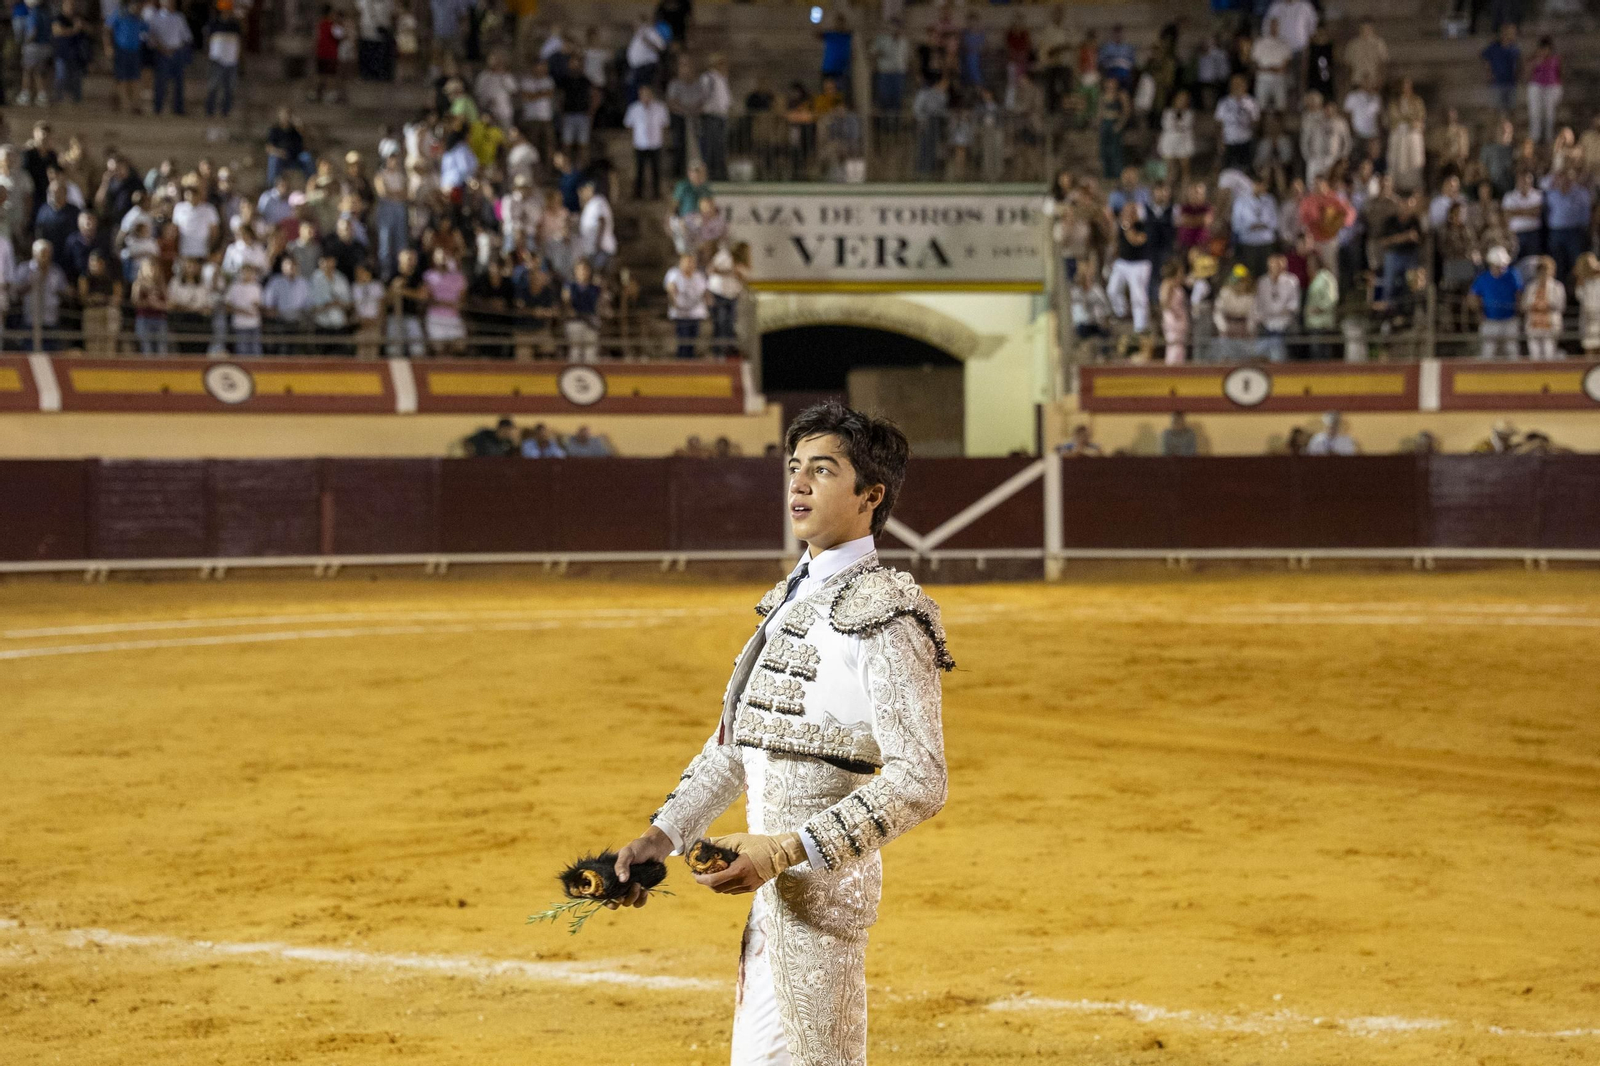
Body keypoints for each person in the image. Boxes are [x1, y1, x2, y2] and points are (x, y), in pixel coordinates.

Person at [612, 402, 949, 1066]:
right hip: (770, 901)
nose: (798, 484)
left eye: (822, 471)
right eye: (795, 468)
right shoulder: (792, 601)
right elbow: (740, 744)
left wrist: (787, 849)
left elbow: (921, 780)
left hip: (819, 901)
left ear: (870, 496)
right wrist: (665, 834)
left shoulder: (886, 617)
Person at [1470, 246, 1522, 358]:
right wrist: (1478, 314)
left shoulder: (1512, 274)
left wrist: (1518, 312)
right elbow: (1474, 296)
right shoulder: (1483, 278)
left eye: (1503, 266)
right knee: (1488, 351)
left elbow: (1518, 293)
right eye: (1498, 266)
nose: (1501, 268)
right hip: (1490, 320)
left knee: (1512, 350)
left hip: (1510, 319)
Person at [146, 0, 193, 115]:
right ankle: (158, 109)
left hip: (177, 53)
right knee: (160, 83)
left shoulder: (179, 17)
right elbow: (150, 36)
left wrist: (177, 49)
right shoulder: (155, 17)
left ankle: (178, 109)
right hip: (161, 53)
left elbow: (186, 36)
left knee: (179, 83)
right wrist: (162, 48)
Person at [624, 84, 669, 201]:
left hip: (656, 143)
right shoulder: (634, 108)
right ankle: (638, 194)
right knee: (639, 170)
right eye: (643, 94)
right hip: (640, 144)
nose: (646, 97)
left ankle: (657, 194)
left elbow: (665, 125)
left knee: (656, 170)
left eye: (648, 94)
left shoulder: (660, 107)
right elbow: (628, 125)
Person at [1256, 253, 1301, 362]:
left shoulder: (1291, 281)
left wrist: (1282, 311)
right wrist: (1260, 319)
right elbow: (1258, 303)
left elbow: (1294, 304)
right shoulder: (1262, 282)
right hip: (1266, 324)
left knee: (1279, 353)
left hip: (1285, 324)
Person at [204, 0, 243, 118]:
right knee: (213, 86)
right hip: (217, 59)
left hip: (231, 61)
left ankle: (225, 111)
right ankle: (210, 111)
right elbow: (208, 40)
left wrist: (239, 58)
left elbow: (239, 42)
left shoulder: (235, 25)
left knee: (229, 87)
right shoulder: (214, 24)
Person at [665, 252, 708, 359]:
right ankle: (682, 360)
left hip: (695, 312)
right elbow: (670, 286)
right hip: (681, 313)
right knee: (683, 338)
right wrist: (672, 294)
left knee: (693, 339)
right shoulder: (674, 273)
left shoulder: (698, 276)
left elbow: (704, 291)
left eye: (692, 262)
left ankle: (691, 359)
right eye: (687, 262)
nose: (689, 265)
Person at [1521, 256, 1564, 361]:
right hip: (1533, 325)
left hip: (1550, 325)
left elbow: (1561, 305)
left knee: (1549, 356)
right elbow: (1523, 305)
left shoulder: (1557, 287)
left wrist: (1545, 305)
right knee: (1534, 357)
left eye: (1547, 269)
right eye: (1542, 270)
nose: (1544, 273)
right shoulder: (1531, 287)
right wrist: (1533, 305)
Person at [562, 258, 602, 362]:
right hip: (575, 321)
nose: (583, 272)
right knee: (575, 352)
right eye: (580, 269)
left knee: (591, 353)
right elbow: (566, 302)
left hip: (591, 321)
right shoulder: (570, 286)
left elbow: (600, 303)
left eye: (585, 269)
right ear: (575, 271)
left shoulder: (595, 287)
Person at [1482, 24, 1520, 115]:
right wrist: (1488, 73)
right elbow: (1486, 59)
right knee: (1496, 110)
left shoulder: (1514, 49)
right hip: (1497, 82)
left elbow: (1516, 64)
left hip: (1510, 82)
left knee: (1511, 110)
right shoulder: (1494, 47)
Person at [1158, 261, 1190, 365]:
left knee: (1180, 346)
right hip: (1173, 319)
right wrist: (1174, 311)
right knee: (1174, 345)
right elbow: (1164, 301)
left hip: (1180, 318)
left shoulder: (1178, 285)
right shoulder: (1168, 284)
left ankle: (1179, 366)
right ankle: (1172, 367)